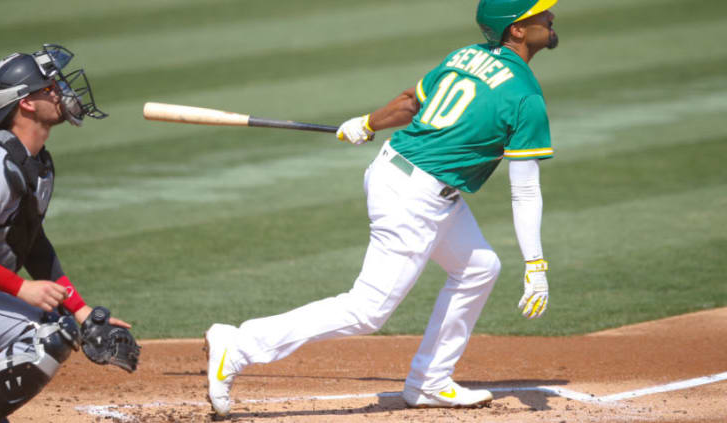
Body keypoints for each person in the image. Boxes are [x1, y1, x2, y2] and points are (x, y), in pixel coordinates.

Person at [205, 0, 558, 415]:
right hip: (416, 197)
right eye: (541, 14)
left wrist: (368, 123)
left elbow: (412, 102)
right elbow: (525, 192)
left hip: (399, 174)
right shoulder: (525, 95)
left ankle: (429, 380)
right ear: (516, 30)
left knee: (479, 268)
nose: (551, 17)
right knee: (367, 310)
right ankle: (241, 345)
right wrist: (536, 264)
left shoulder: (468, 55)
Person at [0, 44, 132, 423]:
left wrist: (81, 311)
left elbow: (32, 244)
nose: (62, 91)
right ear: (26, 103)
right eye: (50, 86)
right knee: (40, 333)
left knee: (53, 325)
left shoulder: (35, 163)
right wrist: (21, 288)